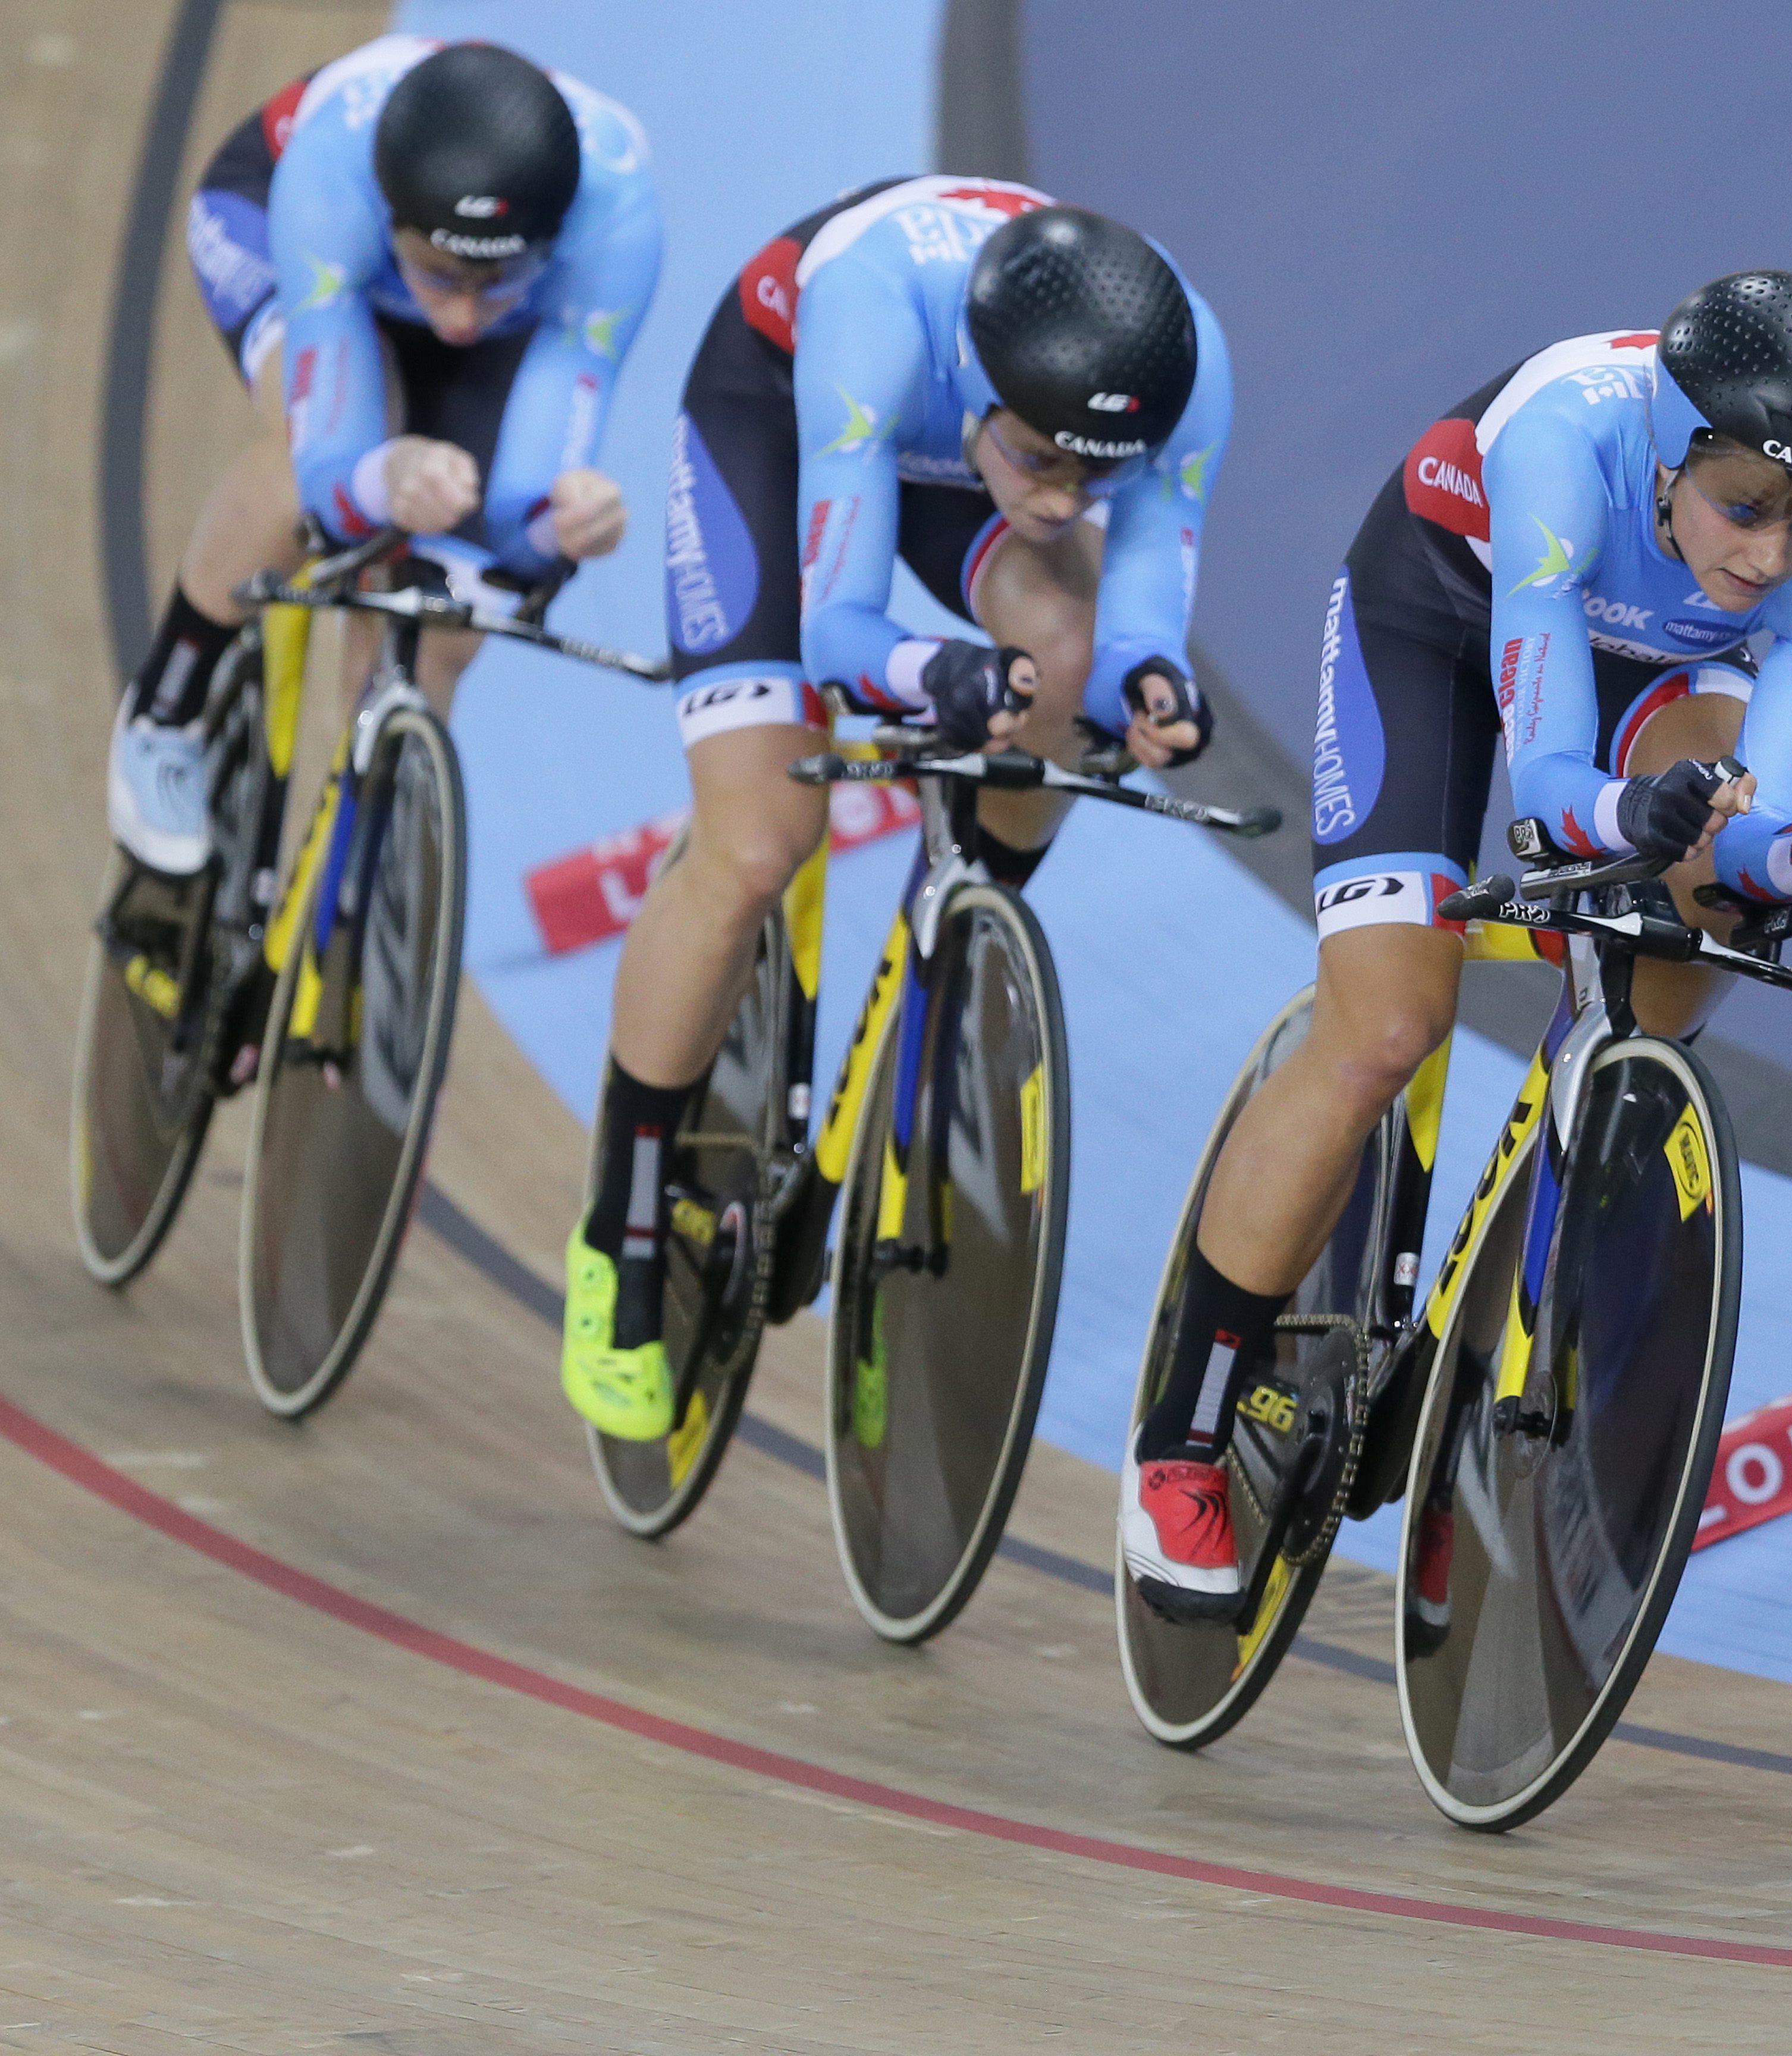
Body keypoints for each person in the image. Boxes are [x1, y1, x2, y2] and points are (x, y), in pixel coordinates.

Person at [1120, 271, 1792, 1619]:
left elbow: (1758, 831)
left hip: (1653, 669)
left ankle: (1520, 1305)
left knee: (1688, 943)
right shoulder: (1563, 442)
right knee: (1383, 1028)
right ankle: (1182, 1441)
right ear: (1667, 457)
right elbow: (1550, 786)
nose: (1775, 556)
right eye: (1744, 507)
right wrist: (1633, 817)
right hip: (1437, 620)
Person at [558, 177, 1231, 1439]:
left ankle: (956, 924)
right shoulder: (871, 316)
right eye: (1042, 463)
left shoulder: (1183, 370)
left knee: (1069, 660)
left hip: (953, 451)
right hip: (787, 417)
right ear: (981, 383)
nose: (1061, 501)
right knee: (757, 844)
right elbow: (840, 633)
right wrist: (937, 673)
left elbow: (1139, 603)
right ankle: (621, 1220)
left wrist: (1152, 686)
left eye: (1097, 472)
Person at [111, 35, 660, 873]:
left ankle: (363, 868)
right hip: (289, 233)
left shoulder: (616, 224)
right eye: (441, 277)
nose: (464, 317)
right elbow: (334, 472)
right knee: (310, 454)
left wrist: (567, 524)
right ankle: (166, 707)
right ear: (390, 221)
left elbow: (521, 517)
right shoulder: (331, 181)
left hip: (495, 297)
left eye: (496, 280)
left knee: (442, 623)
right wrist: (385, 474)